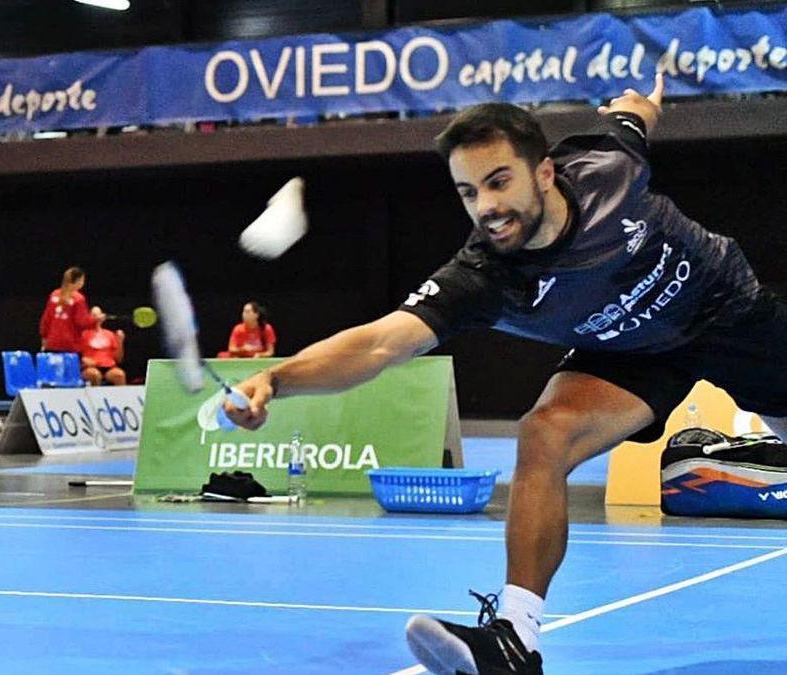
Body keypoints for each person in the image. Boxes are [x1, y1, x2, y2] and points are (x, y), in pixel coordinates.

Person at [224, 74, 787, 675]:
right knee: (544, 433)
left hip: (726, 310)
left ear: (544, 172)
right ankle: (514, 641)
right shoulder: (486, 275)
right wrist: (277, 380)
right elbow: (383, 343)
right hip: (625, 350)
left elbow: (633, 120)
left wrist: (639, 104)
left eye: (498, 181)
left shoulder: (607, 167)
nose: (486, 206)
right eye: (468, 192)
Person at [39, 266, 93, 352]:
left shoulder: (54, 294)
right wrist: (95, 319)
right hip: (71, 345)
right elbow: (82, 322)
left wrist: (44, 337)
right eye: (83, 280)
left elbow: (46, 319)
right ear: (78, 280)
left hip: (52, 343)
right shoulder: (79, 299)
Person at [79, 306, 126, 386]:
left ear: (103, 317)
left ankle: (123, 398)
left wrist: (120, 342)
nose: (95, 318)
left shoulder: (110, 334)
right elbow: (74, 352)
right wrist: (83, 359)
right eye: (93, 315)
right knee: (94, 375)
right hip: (89, 367)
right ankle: (95, 398)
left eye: (98, 315)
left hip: (109, 367)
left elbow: (118, 359)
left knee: (119, 375)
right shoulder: (82, 334)